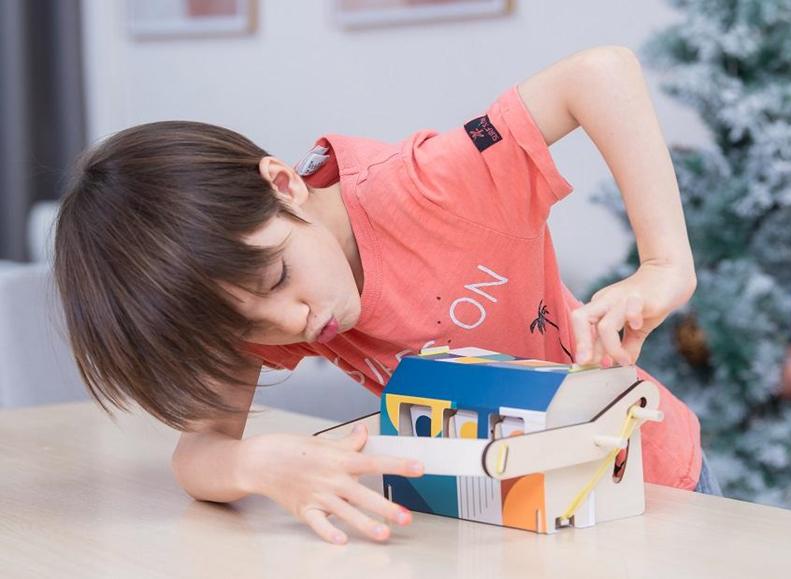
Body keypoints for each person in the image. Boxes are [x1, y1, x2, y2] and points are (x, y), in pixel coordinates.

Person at [53, 46, 714, 546]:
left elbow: (598, 73)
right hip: (498, 518)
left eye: (279, 278)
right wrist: (256, 461)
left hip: (647, 478)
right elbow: (198, 455)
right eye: (254, 324)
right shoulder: (247, 301)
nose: (296, 323)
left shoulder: (430, 184)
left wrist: (662, 262)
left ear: (283, 183)